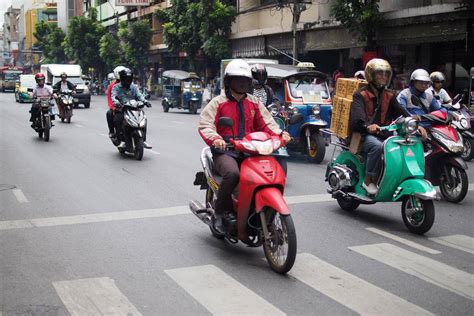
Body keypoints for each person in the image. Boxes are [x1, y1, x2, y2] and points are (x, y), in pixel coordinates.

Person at [198, 59, 291, 233]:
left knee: (270, 173)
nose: (242, 83)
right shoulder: (218, 102)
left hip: (251, 150)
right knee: (233, 174)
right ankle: (220, 212)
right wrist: (217, 139)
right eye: (237, 79)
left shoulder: (254, 102)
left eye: (245, 80)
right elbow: (206, 124)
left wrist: (280, 135)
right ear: (229, 81)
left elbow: (267, 123)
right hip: (226, 151)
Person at [349, 58, 413, 195]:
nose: (383, 77)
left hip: (384, 134)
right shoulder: (360, 95)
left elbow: (402, 113)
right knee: (377, 147)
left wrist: (415, 124)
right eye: (379, 73)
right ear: (371, 75)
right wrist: (367, 126)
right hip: (363, 135)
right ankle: (368, 180)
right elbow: (357, 119)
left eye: (386, 74)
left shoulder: (389, 95)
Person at [111, 67, 152, 149]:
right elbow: (113, 96)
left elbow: (139, 96)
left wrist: (145, 101)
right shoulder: (116, 87)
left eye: (129, 78)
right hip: (122, 108)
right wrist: (117, 103)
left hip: (134, 108)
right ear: (122, 78)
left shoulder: (134, 87)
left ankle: (143, 140)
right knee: (117, 119)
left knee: (144, 119)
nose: (127, 80)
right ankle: (122, 140)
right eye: (125, 78)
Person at [106, 69, 123, 138]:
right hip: (118, 107)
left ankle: (143, 139)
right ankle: (112, 131)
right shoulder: (112, 86)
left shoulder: (131, 85)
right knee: (109, 113)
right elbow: (110, 98)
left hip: (129, 106)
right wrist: (113, 107)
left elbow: (137, 95)